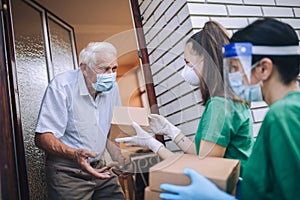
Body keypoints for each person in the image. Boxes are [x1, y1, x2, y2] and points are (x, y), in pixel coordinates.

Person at [159, 18, 300, 200]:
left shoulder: (284, 114)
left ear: (264, 69)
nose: (230, 76)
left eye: (234, 68)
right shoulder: (287, 111)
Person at [116, 21, 254, 175]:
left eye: (187, 62)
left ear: (205, 60)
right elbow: (202, 154)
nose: (185, 70)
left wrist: (153, 145)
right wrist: (171, 131)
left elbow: (203, 170)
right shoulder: (230, 99)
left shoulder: (220, 105)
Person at [35, 42, 129, 200]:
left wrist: (117, 157)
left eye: (114, 68)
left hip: (100, 167)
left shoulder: (112, 88)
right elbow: (42, 138)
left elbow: (109, 128)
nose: (110, 75)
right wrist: (75, 154)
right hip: (68, 172)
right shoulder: (62, 86)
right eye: (104, 69)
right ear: (84, 68)